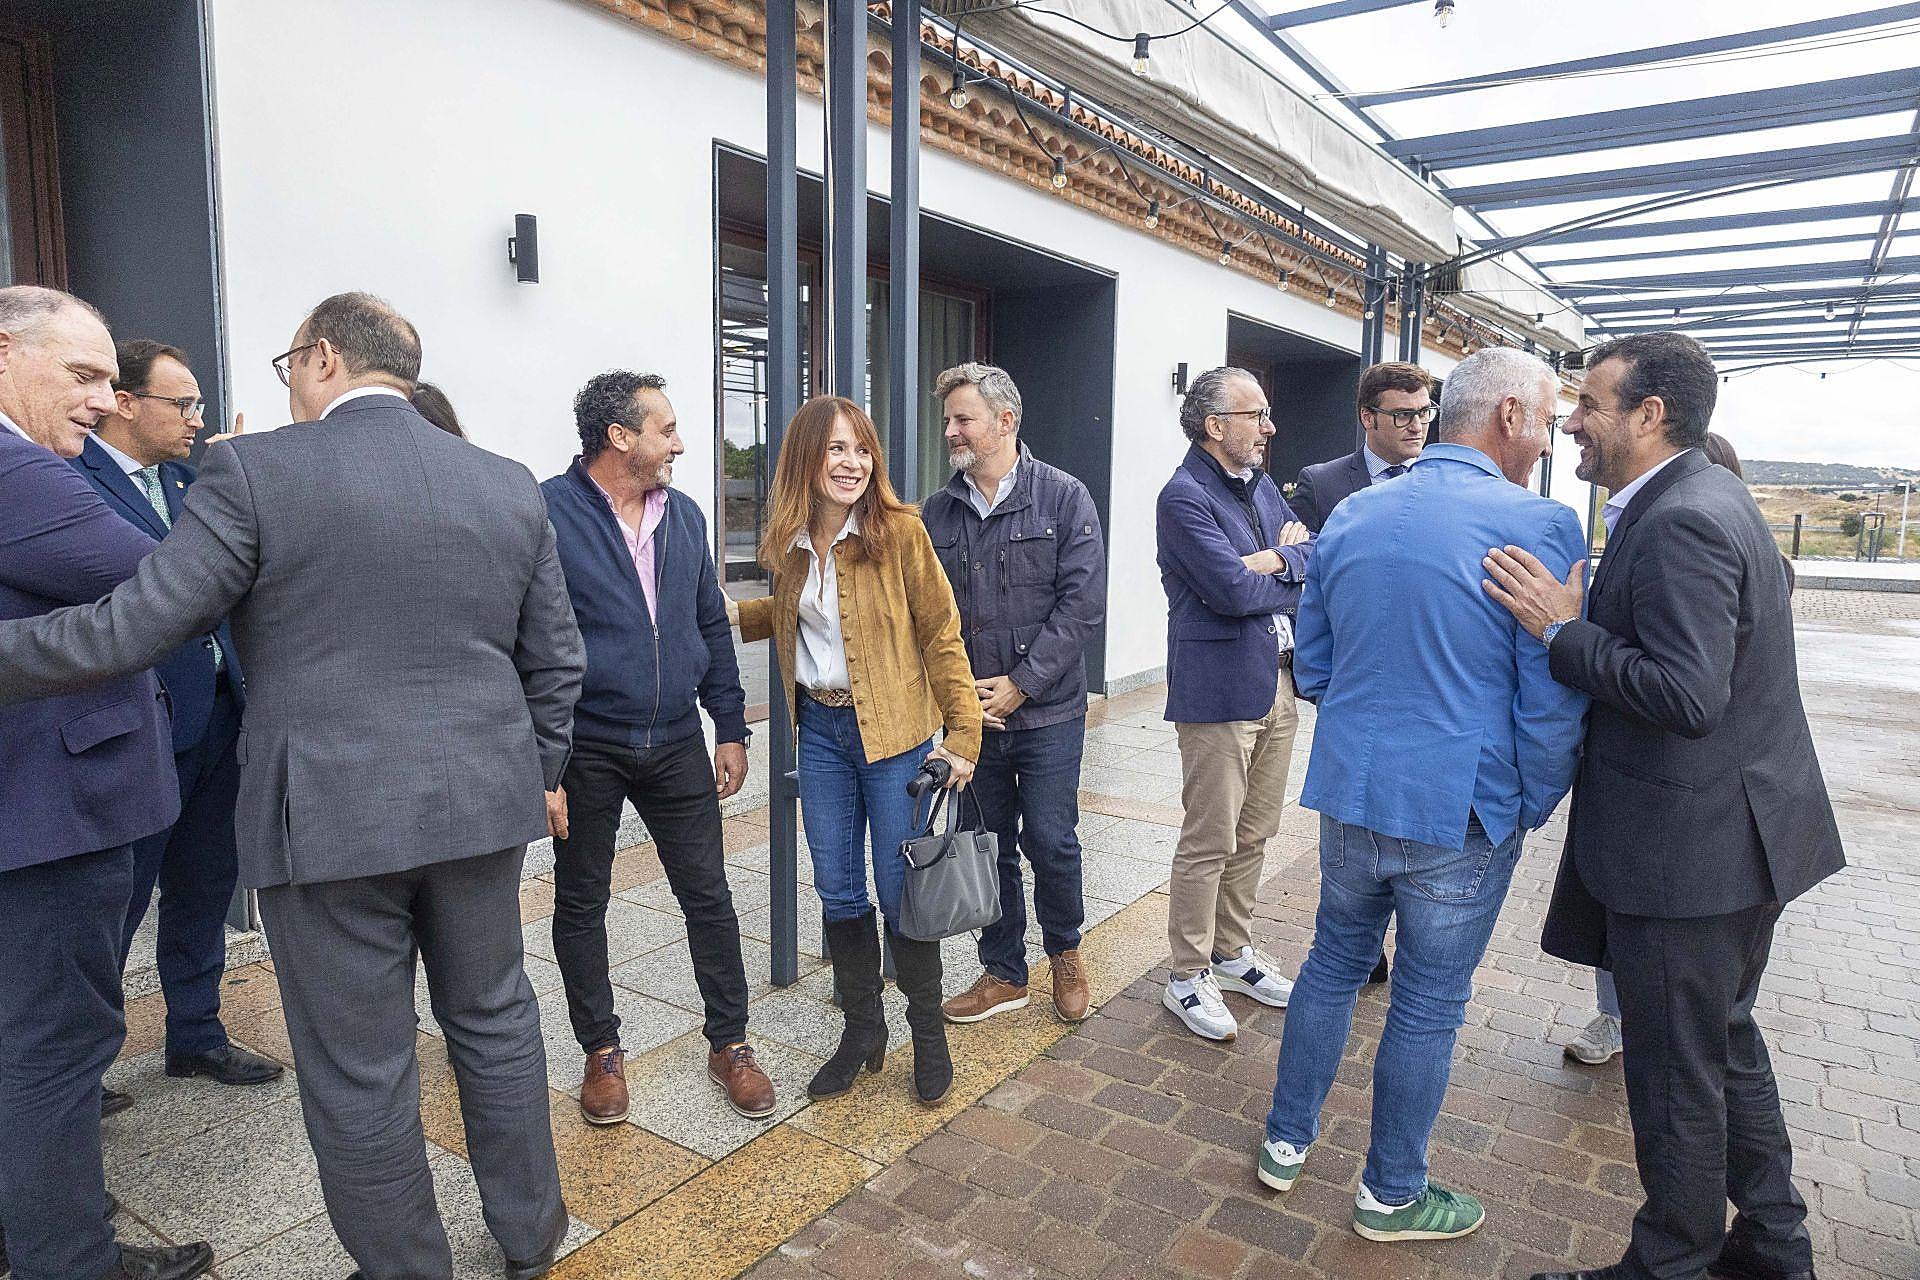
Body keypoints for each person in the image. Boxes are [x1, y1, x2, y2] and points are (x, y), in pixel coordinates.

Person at [0, 292, 585, 1280]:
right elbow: (558, 662)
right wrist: (528, 775)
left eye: (287, 367)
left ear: (319, 359)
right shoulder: (506, 480)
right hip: (481, 806)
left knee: (361, 1064)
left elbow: (140, 622)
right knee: (497, 1019)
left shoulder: (252, 469)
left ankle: (405, 1264)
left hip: (328, 815)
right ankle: (532, 1235)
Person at [1484, 331, 1844, 1280]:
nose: (1571, 423)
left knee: (1680, 1079)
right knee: (1722, 1048)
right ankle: (1772, 1247)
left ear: (1650, 416)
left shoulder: (1682, 516)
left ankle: (1671, 1262)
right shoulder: (1700, 496)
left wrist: (1565, 631)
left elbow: (1688, 696)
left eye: (1590, 405)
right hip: (1732, 842)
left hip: (1693, 855)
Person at [1257, 347, 1588, 1244]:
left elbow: (1314, 664)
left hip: (1355, 791)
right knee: (1428, 1006)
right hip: (1465, 806)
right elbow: (1549, 692)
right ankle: (1391, 1194)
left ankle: (1285, 1143)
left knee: (1330, 964)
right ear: (1511, 416)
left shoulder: (1353, 514)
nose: (1554, 435)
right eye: (1550, 417)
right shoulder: (1542, 523)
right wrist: (1535, 801)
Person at [0, 286, 215, 1280]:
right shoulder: (17, 471)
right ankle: (70, 1260)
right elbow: (169, 582)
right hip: (50, 817)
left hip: (39, 805)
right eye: (82, 374)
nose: (102, 400)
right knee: (57, 1048)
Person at [727, 395, 980, 1106]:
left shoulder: (901, 532)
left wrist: (964, 737)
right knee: (838, 887)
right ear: (807, 460)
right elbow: (791, 615)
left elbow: (940, 633)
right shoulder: (790, 538)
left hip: (897, 736)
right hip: (824, 733)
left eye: (861, 449)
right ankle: (864, 1031)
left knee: (901, 893)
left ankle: (926, 1034)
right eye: (836, 449)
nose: (852, 462)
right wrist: (717, 619)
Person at [541, 371, 773, 1124]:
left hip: (675, 738)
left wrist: (729, 725)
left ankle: (730, 1042)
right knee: (582, 901)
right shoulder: (547, 514)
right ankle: (600, 1050)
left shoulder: (685, 515)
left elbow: (710, 622)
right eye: (665, 428)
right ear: (619, 437)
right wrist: (543, 765)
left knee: (708, 894)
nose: (679, 441)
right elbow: (528, 644)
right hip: (588, 746)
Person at [74, 339, 282, 1106]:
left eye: (198, 405)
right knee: (116, 903)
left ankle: (195, 1034)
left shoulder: (195, 480)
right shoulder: (71, 480)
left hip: (222, 717)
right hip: (140, 726)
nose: (196, 418)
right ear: (126, 404)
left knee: (204, 884)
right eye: (182, 404)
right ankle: (78, 1068)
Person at [920, 363, 1106, 1026]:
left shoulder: (1064, 498)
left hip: (1049, 712)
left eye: (962, 418)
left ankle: (1065, 953)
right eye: (949, 419)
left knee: (1052, 839)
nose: (951, 431)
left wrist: (1023, 685)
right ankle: (1003, 972)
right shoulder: (937, 513)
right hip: (972, 720)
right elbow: (926, 612)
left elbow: (1082, 606)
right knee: (984, 842)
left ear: (1005, 421)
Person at [1155, 366, 1312, 1042]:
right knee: (1209, 837)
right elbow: (1229, 591)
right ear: (1216, 424)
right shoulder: (1183, 496)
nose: (1269, 429)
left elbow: (1315, 559)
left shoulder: (1263, 485)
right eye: (1257, 416)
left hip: (1277, 680)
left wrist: (1272, 561)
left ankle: (1229, 953)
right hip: (1218, 691)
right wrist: (1280, 559)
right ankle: (1186, 974)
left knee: (1256, 832)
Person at [1288, 360, 1436, 535]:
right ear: (1367, 418)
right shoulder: (1320, 485)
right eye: (1403, 415)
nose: (1417, 427)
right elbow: (1296, 554)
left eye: (1423, 412)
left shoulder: (1442, 484)